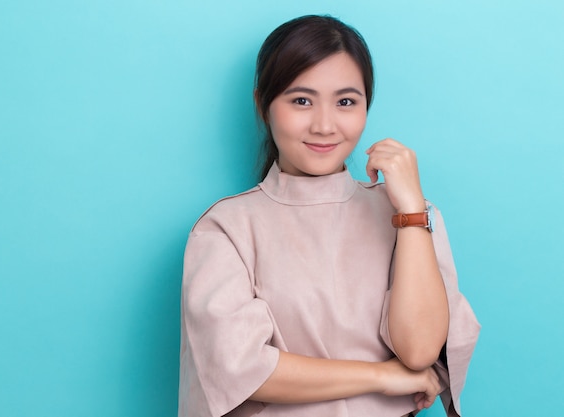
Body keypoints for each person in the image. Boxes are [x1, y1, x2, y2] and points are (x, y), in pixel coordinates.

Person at [178, 15, 480, 417]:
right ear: (263, 105)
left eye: (346, 102)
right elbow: (241, 368)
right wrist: (382, 377)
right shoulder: (225, 228)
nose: (324, 125)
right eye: (301, 100)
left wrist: (410, 211)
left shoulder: (410, 217)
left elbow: (420, 349)